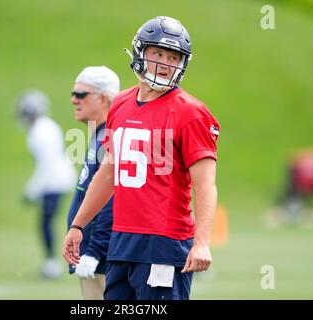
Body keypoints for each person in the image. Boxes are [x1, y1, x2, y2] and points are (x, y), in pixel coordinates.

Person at [63, 16, 220, 300]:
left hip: (165, 243)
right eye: (157, 53)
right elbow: (108, 173)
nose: (164, 63)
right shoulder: (121, 103)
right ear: (139, 53)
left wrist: (202, 243)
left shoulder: (191, 112)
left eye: (172, 57)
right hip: (121, 241)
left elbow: (205, 184)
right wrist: (78, 224)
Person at [67, 66, 120, 299]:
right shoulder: (98, 135)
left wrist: (95, 250)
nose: (73, 100)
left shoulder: (107, 138)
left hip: (98, 257)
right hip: (90, 252)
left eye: (81, 94)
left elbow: (111, 198)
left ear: (104, 98)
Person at [17, 89, 76, 279]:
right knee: (46, 222)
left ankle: (52, 265)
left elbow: (46, 165)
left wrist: (31, 191)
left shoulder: (40, 132)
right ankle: (52, 263)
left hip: (55, 182)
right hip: (56, 180)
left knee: (46, 223)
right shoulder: (44, 128)